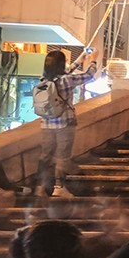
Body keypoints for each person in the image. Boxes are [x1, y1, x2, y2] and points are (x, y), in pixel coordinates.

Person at [30, 48, 91, 198]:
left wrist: (79, 60)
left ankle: (40, 187)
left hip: (46, 124)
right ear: (61, 64)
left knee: (45, 156)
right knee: (62, 156)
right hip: (65, 123)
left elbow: (66, 72)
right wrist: (93, 60)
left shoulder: (43, 81)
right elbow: (89, 76)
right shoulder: (67, 80)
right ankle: (59, 186)